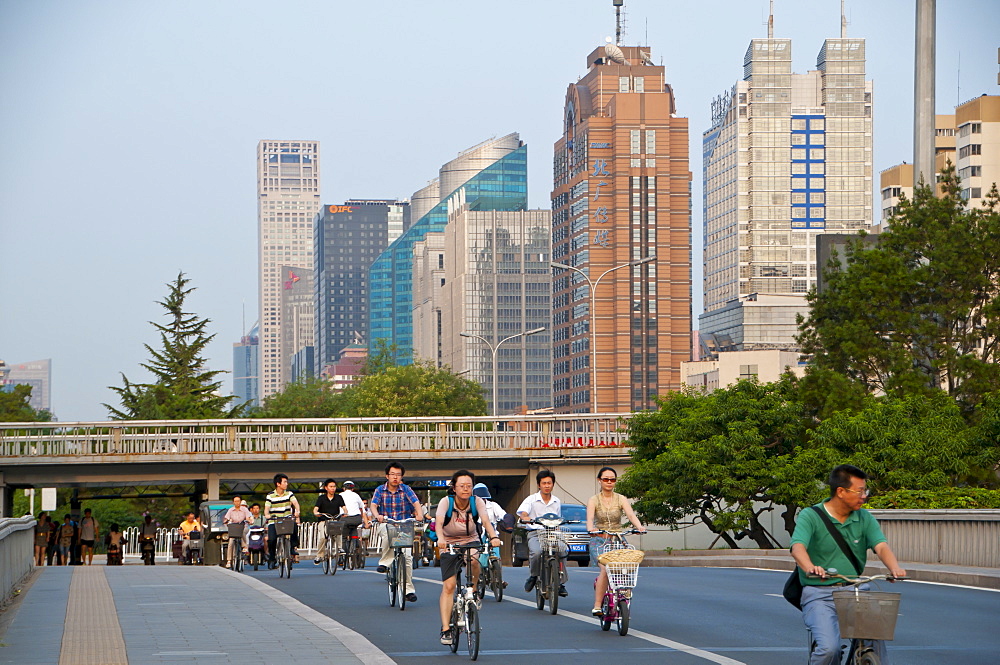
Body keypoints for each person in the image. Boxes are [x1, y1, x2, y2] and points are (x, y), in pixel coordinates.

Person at [791, 464, 907, 665]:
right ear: (841, 492)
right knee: (829, 649)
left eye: (865, 491)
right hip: (820, 594)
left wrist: (894, 568)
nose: (864, 496)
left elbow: (880, 546)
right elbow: (797, 547)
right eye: (860, 491)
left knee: (875, 640)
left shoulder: (864, 517)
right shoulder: (811, 516)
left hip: (856, 591)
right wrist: (810, 566)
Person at [437, 471, 503, 646]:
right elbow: (438, 523)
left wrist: (494, 537)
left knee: (474, 560)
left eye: (469, 486)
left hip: (470, 540)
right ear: (454, 487)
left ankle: (472, 591)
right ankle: (445, 629)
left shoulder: (477, 501)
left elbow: (486, 521)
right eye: (462, 486)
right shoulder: (446, 502)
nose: (466, 489)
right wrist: (441, 539)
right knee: (449, 586)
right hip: (449, 542)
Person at [585, 466, 647, 616]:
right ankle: (598, 605)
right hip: (599, 540)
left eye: (612, 479)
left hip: (618, 539)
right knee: (606, 569)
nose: (609, 482)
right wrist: (591, 528)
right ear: (599, 480)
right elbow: (590, 518)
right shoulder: (594, 500)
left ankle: (623, 594)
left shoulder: (621, 498)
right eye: (606, 479)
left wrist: (639, 527)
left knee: (626, 567)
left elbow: (631, 515)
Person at [370, 461, 425, 603]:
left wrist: (419, 514)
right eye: (392, 474)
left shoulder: (406, 489)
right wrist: (377, 516)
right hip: (386, 522)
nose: (395, 477)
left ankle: (409, 591)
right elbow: (374, 505)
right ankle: (386, 563)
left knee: (407, 558)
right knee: (389, 533)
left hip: (404, 524)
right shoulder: (380, 490)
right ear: (387, 476)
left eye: (398, 475)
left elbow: (416, 503)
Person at [517, 469, 569, 597]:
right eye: (544, 483)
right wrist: (526, 518)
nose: (547, 486)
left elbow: (558, 517)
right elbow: (523, 513)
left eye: (549, 483)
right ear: (539, 485)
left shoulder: (556, 501)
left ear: (553, 484)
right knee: (536, 552)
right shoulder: (531, 499)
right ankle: (533, 576)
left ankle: (560, 582)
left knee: (563, 550)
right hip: (536, 532)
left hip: (552, 532)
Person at [265, 473, 301, 567]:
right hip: (274, 521)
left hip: (286, 519)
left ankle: (293, 547)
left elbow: (296, 503)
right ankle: (272, 558)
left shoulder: (289, 494)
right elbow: (266, 509)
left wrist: (297, 511)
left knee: (294, 526)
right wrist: (267, 515)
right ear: (278, 484)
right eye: (285, 482)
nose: (286, 484)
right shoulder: (270, 496)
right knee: (272, 540)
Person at [313, 479, 346, 565]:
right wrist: (317, 513)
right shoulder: (321, 498)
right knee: (323, 537)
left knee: (338, 533)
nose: (333, 488)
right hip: (323, 520)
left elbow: (344, 507)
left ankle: (339, 549)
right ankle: (319, 556)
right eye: (331, 487)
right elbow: (315, 509)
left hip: (334, 520)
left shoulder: (339, 497)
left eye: (334, 486)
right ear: (326, 488)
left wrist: (345, 512)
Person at [339, 480, 369, 557]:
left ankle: (343, 556)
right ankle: (355, 542)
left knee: (343, 537)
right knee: (354, 529)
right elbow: (363, 510)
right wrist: (366, 523)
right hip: (356, 518)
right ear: (352, 489)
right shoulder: (356, 495)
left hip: (345, 519)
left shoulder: (340, 495)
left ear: (343, 488)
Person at [223, 494, 253, 569]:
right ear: (233, 502)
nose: (237, 503)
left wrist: (249, 520)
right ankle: (229, 561)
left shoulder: (244, 509)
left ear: (240, 501)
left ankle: (244, 546)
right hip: (234, 528)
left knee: (242, 531)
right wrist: (226, 521)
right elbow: (226, 518)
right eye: (235, 501)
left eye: (238, 501)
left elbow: (248, 518)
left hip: (243, 526)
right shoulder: (230, 510)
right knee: (230, 542)